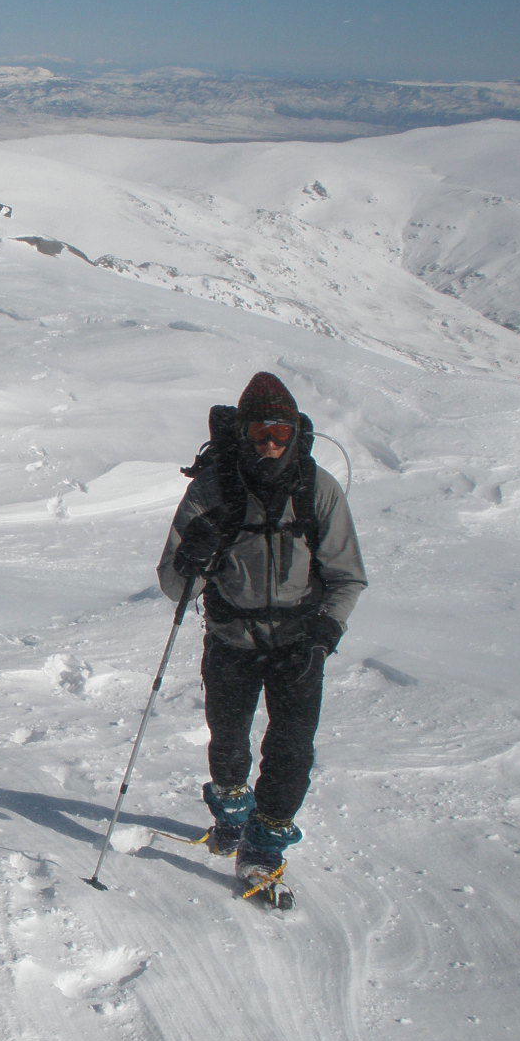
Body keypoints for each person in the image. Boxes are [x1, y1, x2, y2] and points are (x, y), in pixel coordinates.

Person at [157, 372, 366, 884]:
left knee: (291, 750)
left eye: (281, 433)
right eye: (259, 434)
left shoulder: (318, 489)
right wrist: (195, 554)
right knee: (228, 740)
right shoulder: (212, 489)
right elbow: (172, 584)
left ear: (296, 434)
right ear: (243, 434)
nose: (270, 445)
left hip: (299, 644)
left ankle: (266, 843)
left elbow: (347, 576)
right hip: (230, 640)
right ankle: (231, 813)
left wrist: (324, 634)